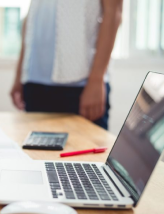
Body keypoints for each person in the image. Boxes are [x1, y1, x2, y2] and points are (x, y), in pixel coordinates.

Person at [10, 0, 123, 130]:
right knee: (33, 149)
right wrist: (20, 73)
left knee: (88, 148)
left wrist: (97, 79)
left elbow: (113, 12)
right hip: (35, 82)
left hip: (81, 85)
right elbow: (31, 16)